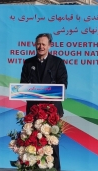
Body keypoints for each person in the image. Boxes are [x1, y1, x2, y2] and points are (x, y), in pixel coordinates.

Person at [20, 33, 68, 171]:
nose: (40, 47)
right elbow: (23, 85)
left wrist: (47, 91)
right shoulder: (28, 63)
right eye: (38, 44)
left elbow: (63, 84)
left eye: (43, 44)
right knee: (32, 144)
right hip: (34, 111)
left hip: (51, 111)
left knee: (51, 145)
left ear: (49, 45)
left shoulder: (58, 63)